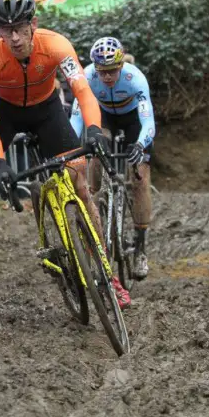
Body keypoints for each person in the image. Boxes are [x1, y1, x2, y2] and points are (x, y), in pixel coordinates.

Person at [0, 0, 131, 308]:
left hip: (45, 110)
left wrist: (92, 129)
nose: (16, 37)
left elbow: (83, 93)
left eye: (21, 27)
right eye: (7, 30)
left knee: (81, 186)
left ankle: (106, 273)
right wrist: (1, 163)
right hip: (4, 114)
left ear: (33, 23)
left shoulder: (56, 45)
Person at [69, 37, 156, 280]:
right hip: (104, 119)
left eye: (112, 71)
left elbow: (147, 120)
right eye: (102, 72)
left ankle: (140, 248)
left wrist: (140, 143)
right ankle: (96, 216)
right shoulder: (86, 77)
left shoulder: (135, 78)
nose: (107, 77)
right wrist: (69, 146)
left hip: (132, 122)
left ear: (121, 65)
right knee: (95, 157)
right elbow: (76, 117)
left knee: (140, 176)